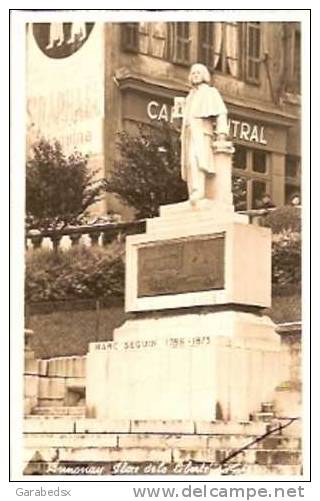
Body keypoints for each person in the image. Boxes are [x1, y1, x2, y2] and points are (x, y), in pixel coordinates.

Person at [180, 63, 229, 204]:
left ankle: (199, 191)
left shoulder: (210, 92)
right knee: (189, 163)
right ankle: (193, 192)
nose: (195, 75)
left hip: (202, 130)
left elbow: (221, 112)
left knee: (197, 160)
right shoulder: (190, 96)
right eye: (193, 73)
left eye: (198, 73)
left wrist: (222, 132)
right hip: (189, 132)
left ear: (204, 75)